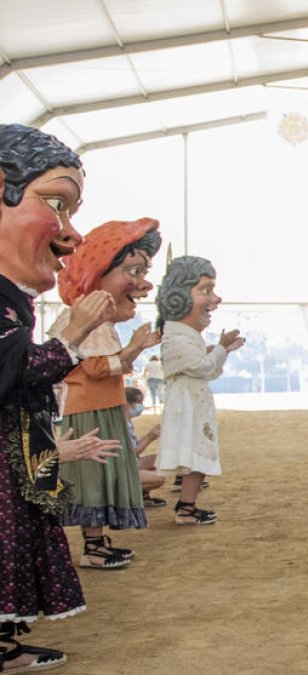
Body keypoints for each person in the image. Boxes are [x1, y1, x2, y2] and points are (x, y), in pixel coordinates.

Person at [0, 123, 124, 672]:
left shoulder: (12, 303)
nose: (71, 236)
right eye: (57, 204)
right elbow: (12, 372)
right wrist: (72, 334)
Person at [48, 218, 162, 567]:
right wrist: (135, 347)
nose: (143, 284)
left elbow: (108, 365)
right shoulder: (87, 317)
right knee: (92, 477)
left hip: (100, 407)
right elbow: (97, 368)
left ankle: (96, 543)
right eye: (133, 271)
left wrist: (135, 348)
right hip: (88, 411)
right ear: (98, 270)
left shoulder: (103, 322)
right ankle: (93, 546)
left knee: (99, 475)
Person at [155, 256, 245, 526]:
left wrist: (218, 351)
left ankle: (187, 505)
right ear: (178, 296)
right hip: (188, 405)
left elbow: (205, 369)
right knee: (196, 452)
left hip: (194, 402)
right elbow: (202, 367)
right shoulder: (176, 336)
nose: (215, 299)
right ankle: (186, 507)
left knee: (200, 452)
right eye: (206, 290)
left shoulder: (185, 336)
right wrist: (221, 349)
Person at [123, 386, 166, 507]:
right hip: (125, 467)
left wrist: (150, 435)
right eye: (139, 402)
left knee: (160, 459)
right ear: (127, 404)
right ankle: (128, 496)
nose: (141, 406)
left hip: (130, 463)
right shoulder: (122, 424)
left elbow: (134, 447)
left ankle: (142, 495)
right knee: (159, 478)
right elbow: (132, 452)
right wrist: (150, 437)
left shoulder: (127, 421)